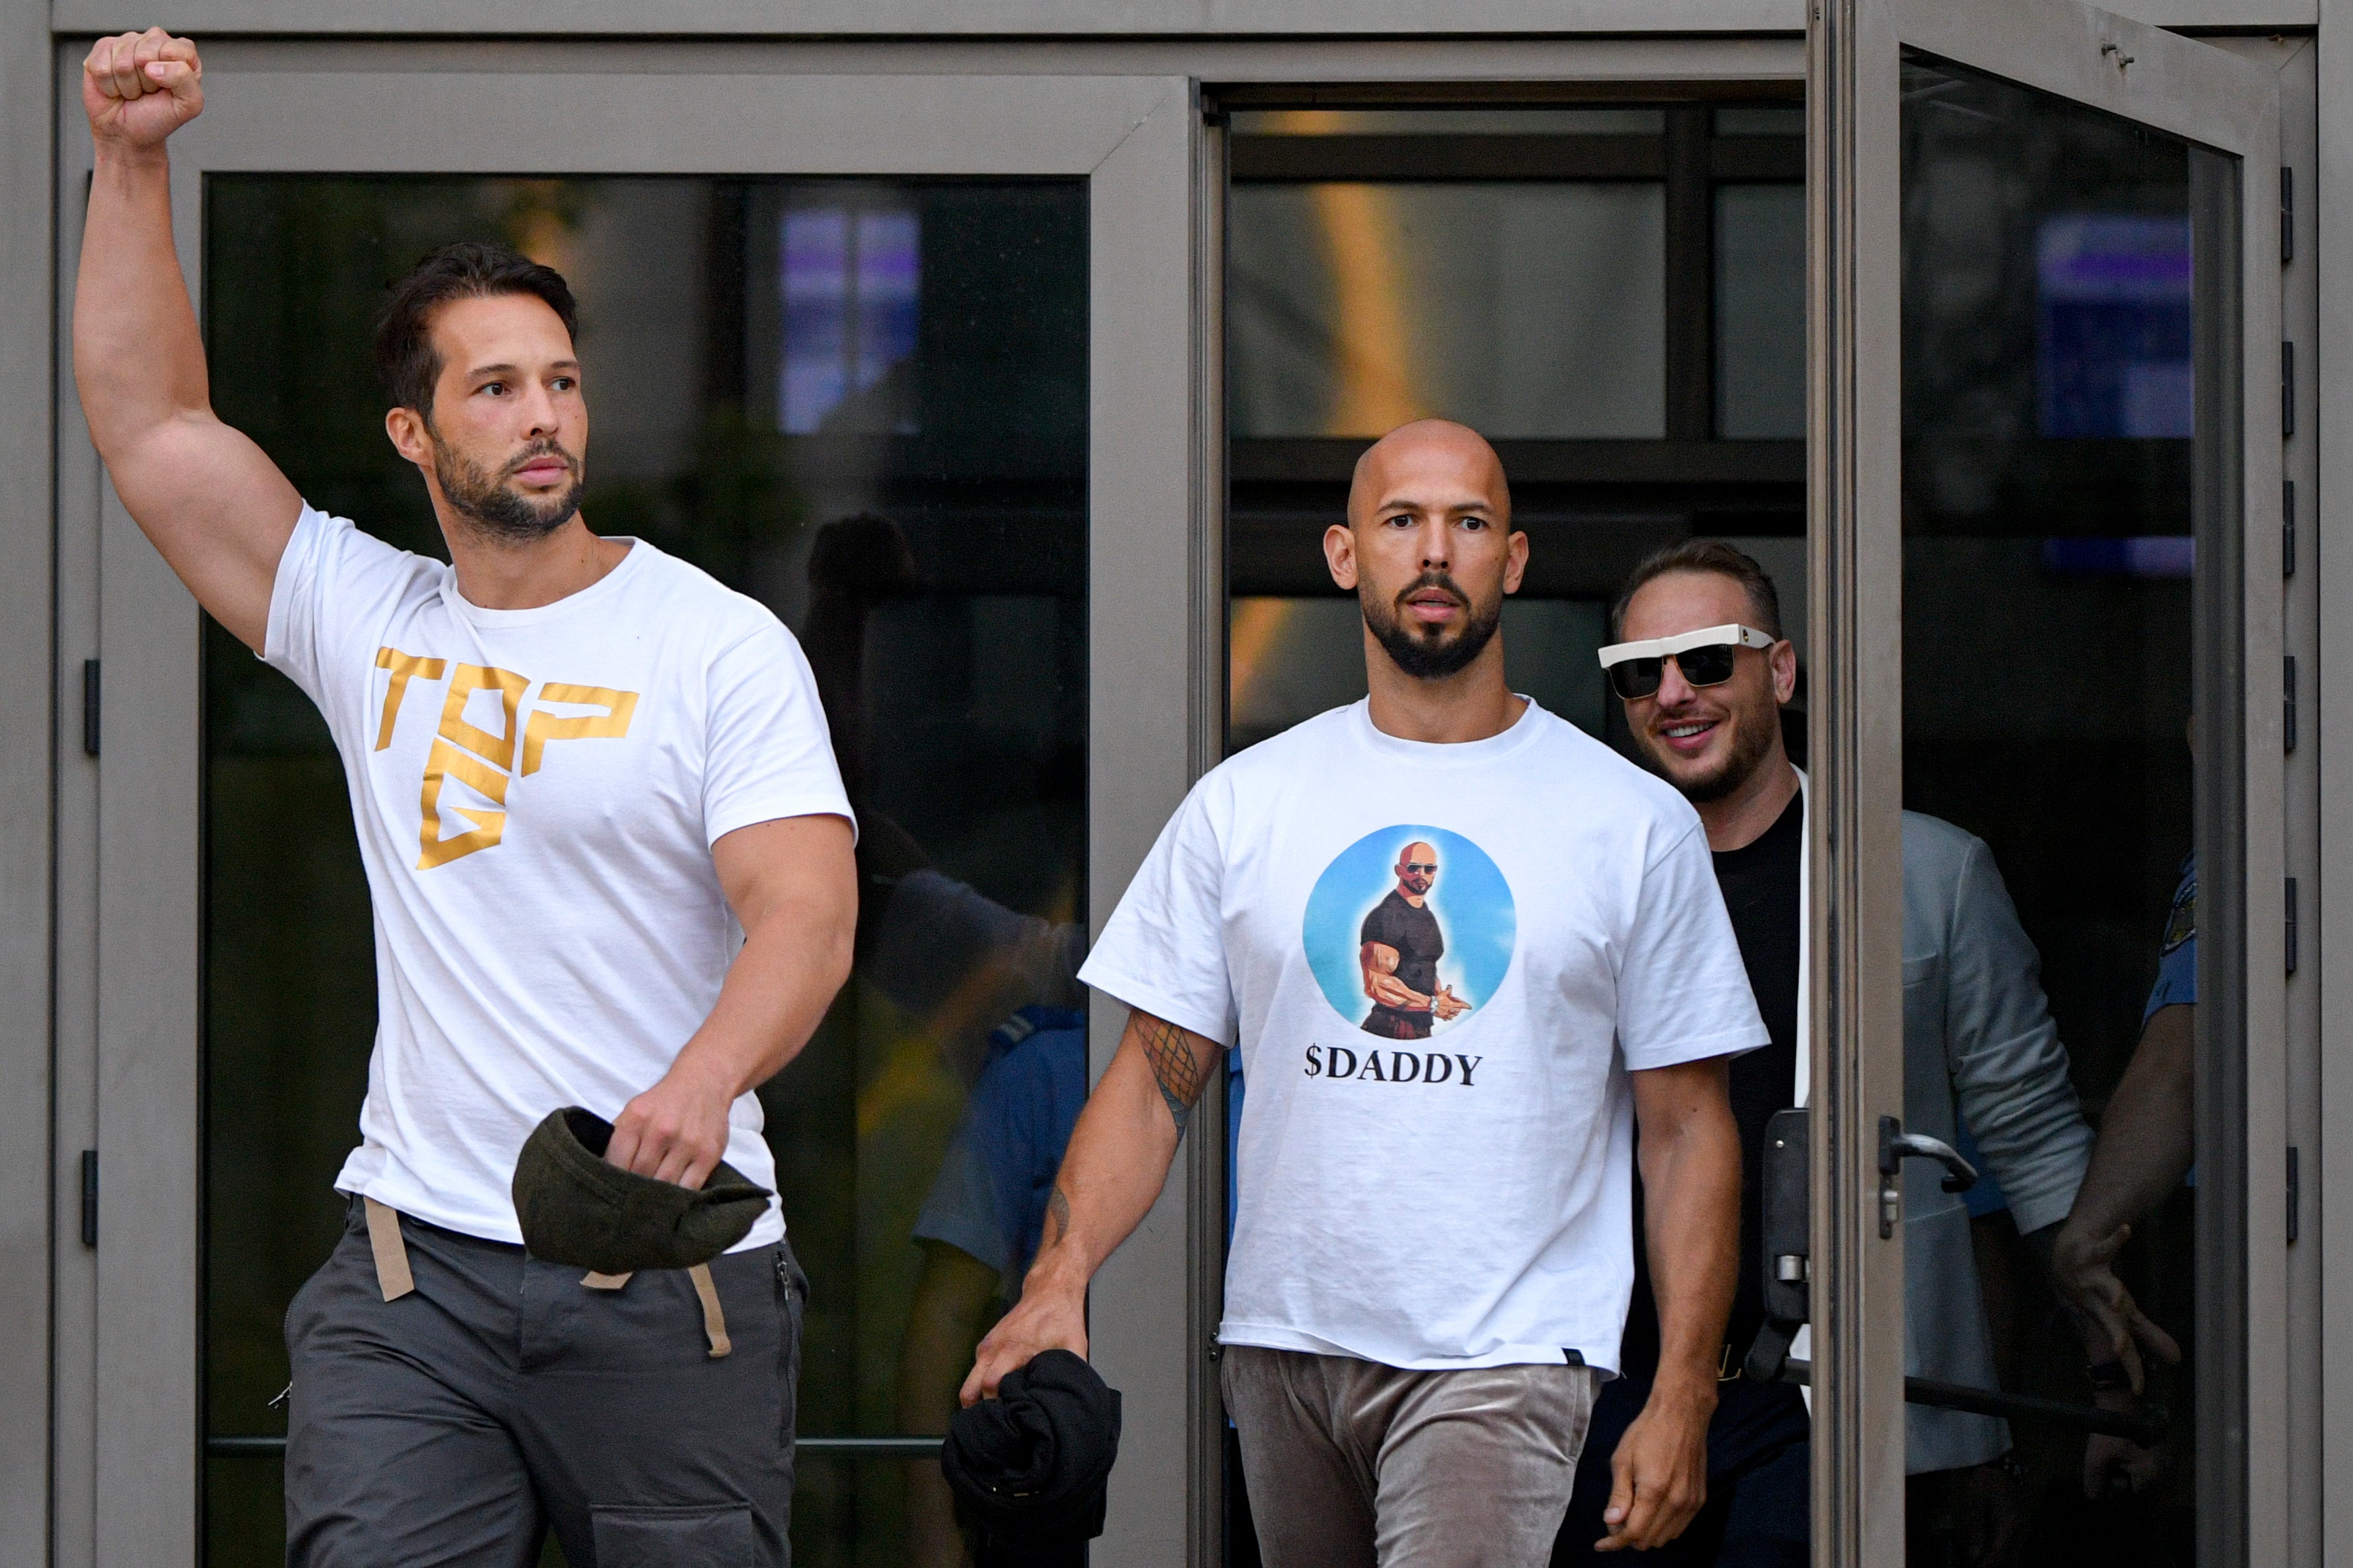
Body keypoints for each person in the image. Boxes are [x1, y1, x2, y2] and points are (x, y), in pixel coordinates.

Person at [75, 31, 857, 1565]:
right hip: (414, 1278)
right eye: (496, 387)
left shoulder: (711, 643)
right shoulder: (370, 618)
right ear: (415, 435)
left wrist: (702, 1083)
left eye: (561, 380)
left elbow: (807, 912)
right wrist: (129, 160)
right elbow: (155, 430)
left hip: (665, 1271)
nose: (545, 413)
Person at [967, 419, 1762, 1566]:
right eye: (1401, 522)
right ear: (1346, 556)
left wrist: (1682, 1391)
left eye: (1467, 524)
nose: (1433, 552)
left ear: (1515, 559)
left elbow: (1688, 1131)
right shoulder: (1247, 806)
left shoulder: (1626, 823)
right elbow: (1150, 1080)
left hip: (1503, 1356)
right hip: (1284, 1346)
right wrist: (1058, 1281)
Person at [1559, 541, 2113, 1567]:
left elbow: (2024, 1132)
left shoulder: (1925, 871)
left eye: (1708, 660)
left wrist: (2101, 1349)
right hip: (1610, 1394)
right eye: (1641, 670)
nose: (1673, 692)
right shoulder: (1574, 882)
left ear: (1778, 669)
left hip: (1833, 1392)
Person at [1356, 838, 1472, 1038]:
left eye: (1429, 869)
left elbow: (1423, 967)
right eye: (1413, 868)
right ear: (1399, 870)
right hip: (1390, 1026)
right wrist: (1432, 1004)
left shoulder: (1426, 915)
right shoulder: (1386, 916)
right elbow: (1377, 984)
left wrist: (1442, 999)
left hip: (1420, 1026)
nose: (1421, 874)